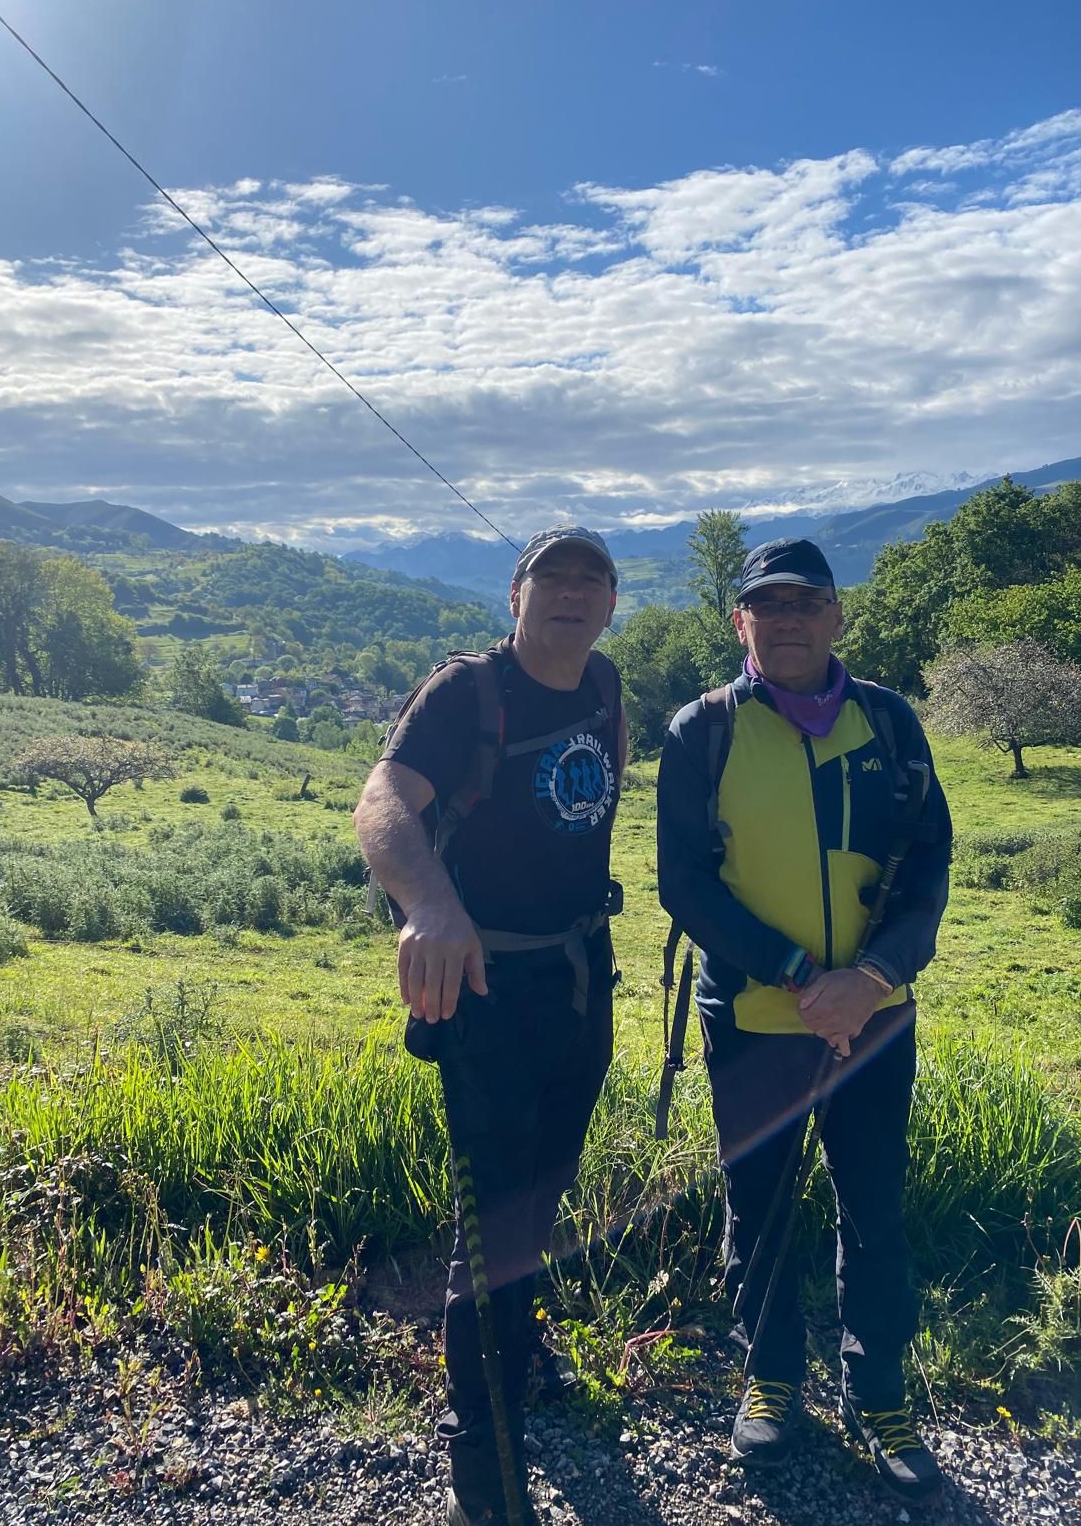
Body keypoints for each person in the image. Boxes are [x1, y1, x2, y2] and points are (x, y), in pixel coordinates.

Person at [656, 538, 952, 1505]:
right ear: (739, 624)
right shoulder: (701, 732)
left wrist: (866, 978)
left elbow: (930, 871)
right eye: (765, 607)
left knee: (874, 1208)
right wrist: (796, 976)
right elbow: (684, 885)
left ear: (837, 617)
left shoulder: (893, 723)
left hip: (875, 1015)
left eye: (805, 603)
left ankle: (881, 1393)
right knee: (761, 1208)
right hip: (752, 1017)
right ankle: (772, 1376)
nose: (785, 620)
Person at [353, 525, 626, 1526]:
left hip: (581, 976)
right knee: (492, 1212)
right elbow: (383, 802)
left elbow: (599, 801)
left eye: (591, 579)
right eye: (550, 575)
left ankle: (520, 1350)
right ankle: (481, 1444)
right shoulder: (467, 691)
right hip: (485, 986)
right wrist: (430, 905)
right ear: (514, 596)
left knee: (547, 1183)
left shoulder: (605, 687)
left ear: (610, 604)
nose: (571, 591)